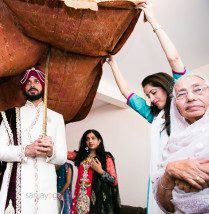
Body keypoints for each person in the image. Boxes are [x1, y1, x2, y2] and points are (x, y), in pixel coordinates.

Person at [106, 1, 189, 213]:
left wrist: (153, 20)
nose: (150, 99)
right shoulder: (156, 117)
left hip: (186, 183)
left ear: (166, 86)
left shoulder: (181, 106)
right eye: (147, 95)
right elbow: (127, 92)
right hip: (159, 182)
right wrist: (113, 63)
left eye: (153, 92)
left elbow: (174, 58)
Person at [0, 67, 67, 214]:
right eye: (28, 82)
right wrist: (25, 150)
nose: (32, 85)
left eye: (36, 81)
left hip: (45, 186)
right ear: (24, 87)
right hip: (18, 183)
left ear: (43, 86)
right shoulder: (11, 116)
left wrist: (51, 151)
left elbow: (62, 157)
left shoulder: (57, 118)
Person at [152, 74, 209, 213]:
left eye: (198, 90)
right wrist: (170, 171)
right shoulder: (172, 146)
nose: (190, 97)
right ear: (175, 106)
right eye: (181, 94)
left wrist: (191, 175)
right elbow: (166, 206)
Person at [71, 129, 120, 214]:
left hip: (100, 201)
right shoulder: (81, 156)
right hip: (83, 199)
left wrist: (100, 171)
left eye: (93, 138)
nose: (90, 141)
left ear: (99, 141)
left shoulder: (106, 157)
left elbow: (114, 181)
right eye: (87, 139)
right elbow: (61, 154)